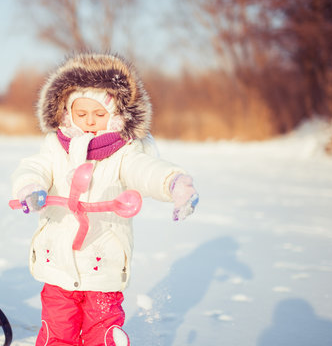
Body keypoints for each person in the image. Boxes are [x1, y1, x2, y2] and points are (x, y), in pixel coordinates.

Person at [11, 53, 199, 346]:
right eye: (81, 114)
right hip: (57, 260)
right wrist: (30, 187)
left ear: (114, 115)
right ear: (66, 111)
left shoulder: (124, 151)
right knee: (57, 332)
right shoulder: (54, 146)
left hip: (103, 260)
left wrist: (173, 182)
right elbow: (34, 167)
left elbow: (145, 170)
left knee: (103, 329)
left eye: (98, 115)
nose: (89, 122)